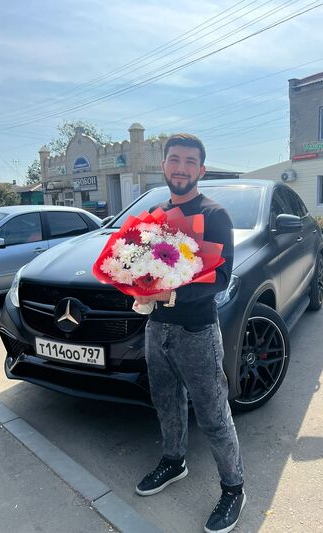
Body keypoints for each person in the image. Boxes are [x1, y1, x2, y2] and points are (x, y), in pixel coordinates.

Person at [134, 133, 245, 533]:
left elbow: (221, 277)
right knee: (165, 402)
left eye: (189, 162)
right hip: (156, 327)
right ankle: (174, 460)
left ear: (201, 169)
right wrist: (135, 282)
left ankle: (233, 487)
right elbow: (143, 265)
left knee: (213, 414)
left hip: (196, 330)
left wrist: (169, 293)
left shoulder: (215, 215)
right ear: (163, 164)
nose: (181, 168)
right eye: (174, 159)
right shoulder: (154, 215)